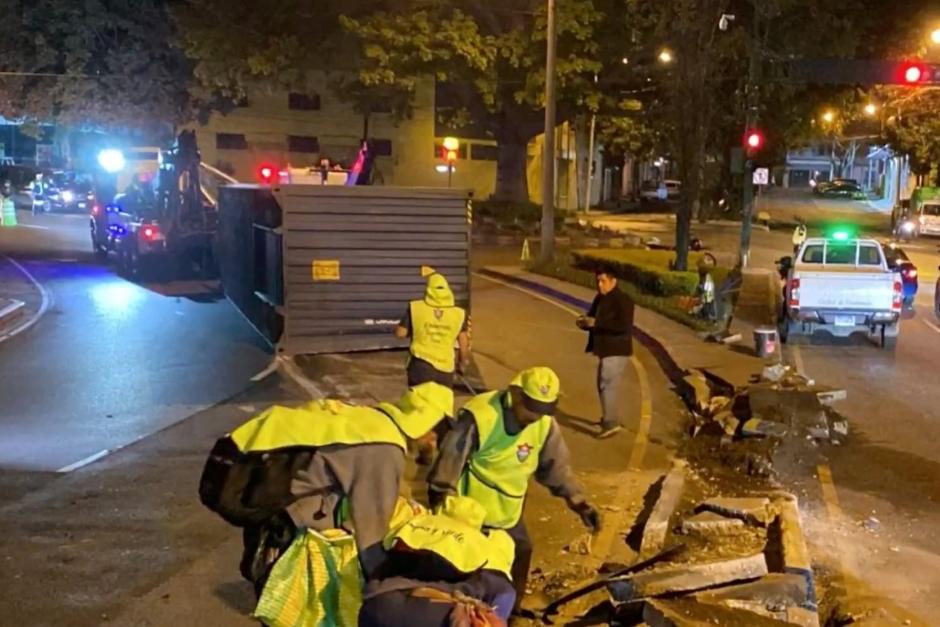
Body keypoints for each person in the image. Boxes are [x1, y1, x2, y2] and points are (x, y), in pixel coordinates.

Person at [198, 381, 454, 592]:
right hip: (287, 522)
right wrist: (387, 591)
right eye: (437, 432)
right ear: (427, 427)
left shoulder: (371, 420)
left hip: (266, 493)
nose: (435, 442)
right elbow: (370, 533)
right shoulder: (385, 449)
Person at [427, 366, 601, 611]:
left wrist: (579, 503)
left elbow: (556, 468)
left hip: (508, 512)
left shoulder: (544, 425)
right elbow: (452, 457)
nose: (533, 417)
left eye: (540, 412)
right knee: (469, 567)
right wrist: (440, 494)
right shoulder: (482, 416)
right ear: (515, 395)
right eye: (529, 409)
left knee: (521, 552)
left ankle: (510, 611)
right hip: (471, 513)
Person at [360, 496, 516, 626]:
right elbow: (504, 596)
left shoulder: (415, 522)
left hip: (377, 605)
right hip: (433, 616)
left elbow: (377, 558)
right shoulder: (487, 548)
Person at [576, 269, 635, 439]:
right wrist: (584, 322)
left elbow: (622, 326)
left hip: (616, 350)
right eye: (598, 281)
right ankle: (609, 418)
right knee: (604, 384)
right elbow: (592, 318)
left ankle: (611, 423)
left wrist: (597, 323)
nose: (599, 285)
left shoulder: (623, 301)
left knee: (607, 385)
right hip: (604, 349)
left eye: (603, 281)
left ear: (613, 281)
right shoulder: (600, 298)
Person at [396, 272, 470, 388]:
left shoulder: (416, 308)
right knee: (440, 403)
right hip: (445, 369)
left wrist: (418, 329)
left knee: (419, 402)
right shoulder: (459, 314)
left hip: (420, 366)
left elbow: (401, 333)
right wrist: (462, 363)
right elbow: (463, 343)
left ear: (428, 290)